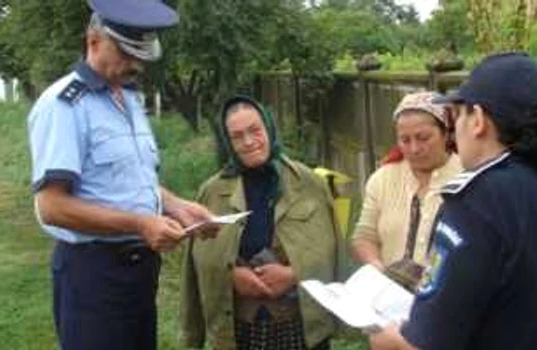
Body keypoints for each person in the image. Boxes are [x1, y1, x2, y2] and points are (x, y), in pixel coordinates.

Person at [369, 52, 537, 350]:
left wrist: (388, 339)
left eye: (458, 116)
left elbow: (428, 343)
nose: (455, 132)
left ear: (478, 121)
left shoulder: (477, 202)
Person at [27, 1, 218, 349]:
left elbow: (130, 179)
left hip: (140, 272)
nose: (135, 64)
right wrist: (141, 224)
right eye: (126, 52)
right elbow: (52, 206)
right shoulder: (64, 105)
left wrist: (177, 206)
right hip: (94, 276)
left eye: (141, 54)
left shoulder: (127, 98)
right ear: (94, 40)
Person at [180, 96, 345, 350]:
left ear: (268, 128)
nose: (248, 142)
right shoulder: (211, 192)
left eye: (255, 131)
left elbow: (331, 251)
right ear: (227, 142)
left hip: (300, 325)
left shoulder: (309, 184)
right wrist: (232, 276)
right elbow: (198, 262)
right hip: (238, 329)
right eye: (237, 136)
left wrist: (294, 274)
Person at [351, 91, 461, 278]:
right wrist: (377, 267)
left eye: (424, 138)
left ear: (446, 133)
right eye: (405, 140)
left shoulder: (467, 178)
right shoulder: (382, 179)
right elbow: (364, 236)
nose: (414, 149)